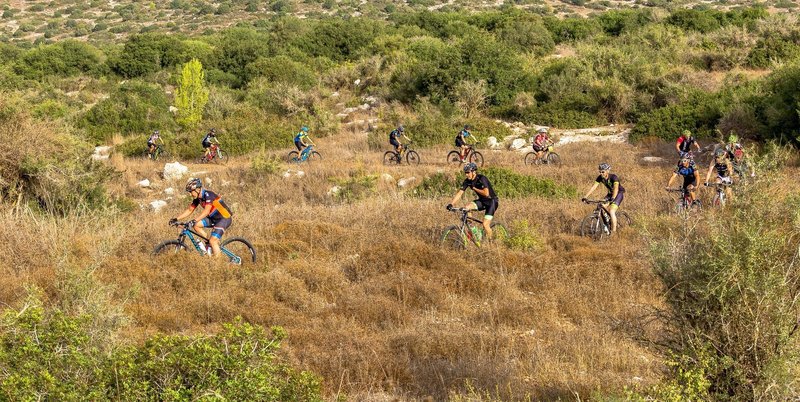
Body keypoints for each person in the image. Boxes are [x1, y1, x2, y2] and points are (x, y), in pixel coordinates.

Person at [170, 178, 233, 258]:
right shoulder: (197, 199)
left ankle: (218, 264)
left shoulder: (208, 195)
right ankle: (208, 245)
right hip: (213, 218)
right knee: (196, 225)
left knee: (213, 241)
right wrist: (176, 219)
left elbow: (206, 211)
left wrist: (194, 220)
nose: (190, 194)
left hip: (224, 218)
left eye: (191, 192)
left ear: (198, 189)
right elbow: (189, 210)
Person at [446, 162, 498, 240]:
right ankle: (474, 231)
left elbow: (486, 193)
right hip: (482, 201)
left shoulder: (481, 178)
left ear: (474, 172)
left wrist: (474, 188)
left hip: (492, 202)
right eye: (465, 173)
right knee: (467, 208)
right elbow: (460, 193)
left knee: (485, 225)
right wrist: (451, 204)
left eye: (468, 172)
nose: (466, 174)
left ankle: (492, 243)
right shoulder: (467, 181)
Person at [582, 163, 625, 234]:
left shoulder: (614, 177)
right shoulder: (600, 178)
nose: (601, 173)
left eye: (603, 172)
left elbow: (616, 189)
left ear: (607, 171)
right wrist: (585, 196)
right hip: (610, 194)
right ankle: (607, 224)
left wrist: (613, 198)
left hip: (618, 194)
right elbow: (594, 187)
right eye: (600, 171)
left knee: (611, 211)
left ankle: (613, 233)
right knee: (600, 206)